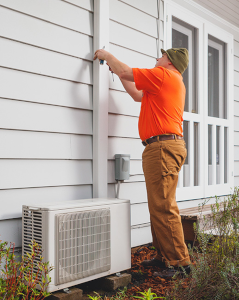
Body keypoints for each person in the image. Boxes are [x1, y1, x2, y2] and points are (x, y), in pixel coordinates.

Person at [93, 47, 191, 278]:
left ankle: (180, 264)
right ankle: (164, 256)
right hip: (162, 147)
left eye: (162, 55)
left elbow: (127, 71)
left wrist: (106, 56)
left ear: (170, 62)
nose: (158, 58)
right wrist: (117, 73)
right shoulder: (165, 82)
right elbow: (137, 94)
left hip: (163, 147)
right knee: (158, 204)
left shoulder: (164, 75)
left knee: (164, 205)